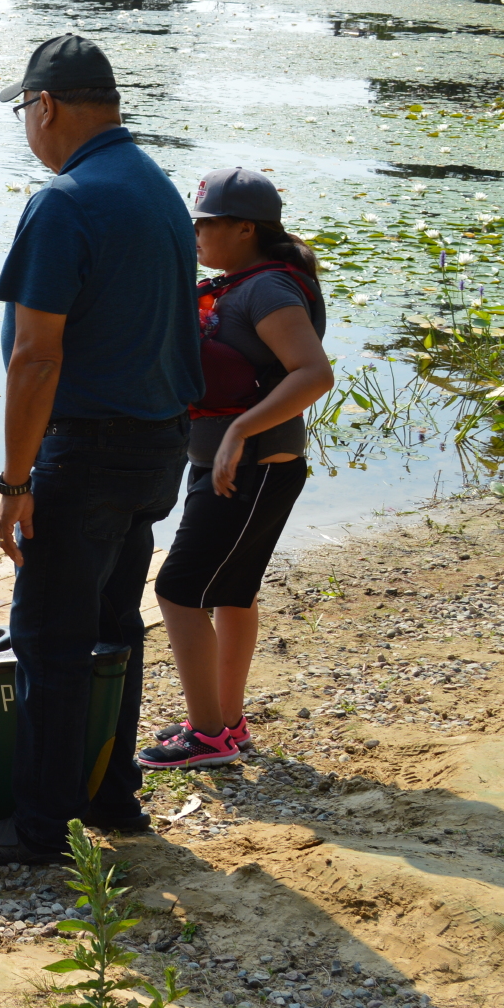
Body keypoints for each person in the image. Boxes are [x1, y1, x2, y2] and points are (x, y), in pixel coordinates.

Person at [0, 33, 202, 865]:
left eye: (25, 112)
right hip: (156, 447)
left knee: (52, 642)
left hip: (89, 451)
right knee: (114, 632)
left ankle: (41, 829)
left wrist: (14, 481)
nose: (27, 129)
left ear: (46, 106)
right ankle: (113, 796)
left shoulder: (65, 200)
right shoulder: (154, 184)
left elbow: (37, 356)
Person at [140, 171, 331, 769]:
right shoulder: (239, 285)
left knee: (177, 591)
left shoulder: (267, 291)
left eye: (207, 223)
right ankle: (227, 721)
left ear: (246, 227)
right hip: (236, 466)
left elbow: (313, 374)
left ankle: (207, 736)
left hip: (252, 468)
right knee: (230, 592)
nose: (196, 233)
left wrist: (240, 431)